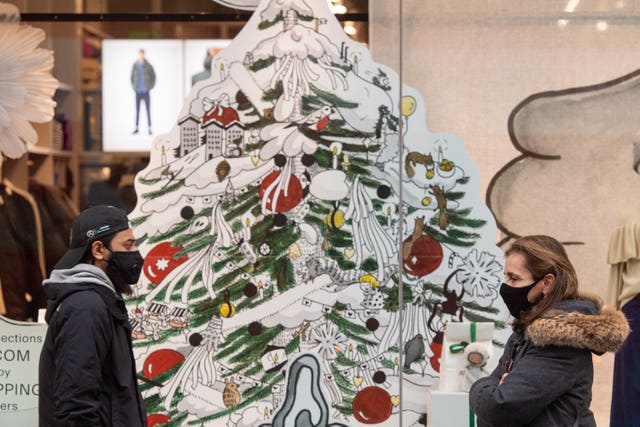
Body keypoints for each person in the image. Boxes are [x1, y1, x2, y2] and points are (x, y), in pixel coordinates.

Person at [469, 235, 629, 427]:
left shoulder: (559, 339)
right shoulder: (525, 332)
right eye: (506, 276)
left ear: (547, 283)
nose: (506, 286)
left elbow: (499, 407)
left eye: (514, 278)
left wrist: (479, 387)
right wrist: (493, 389)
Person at [38, 205, 147, 426]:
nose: (135, 253)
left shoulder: (98, 301)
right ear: (98, 250)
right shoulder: (86, 308)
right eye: (128, 244)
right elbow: (75, 406)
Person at [607, 141, 640, 426]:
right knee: (631, 385)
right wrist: (610, 310)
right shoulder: (628, 216)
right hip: (635, 310)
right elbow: (617, 270)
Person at [131, 48, 155, 135]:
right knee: (137, 110)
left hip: (146, 91)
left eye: (142, 54)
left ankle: (149, 128)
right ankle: (136, 128)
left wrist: (150, 86)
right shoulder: (135, 65)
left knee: (148, 110)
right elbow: (132, 77)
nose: (141, 55)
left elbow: (153, 76)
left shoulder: (148, 65)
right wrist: (134, 87)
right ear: (139, 54)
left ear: (144, 54)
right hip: (138, 91)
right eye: (140, 54)